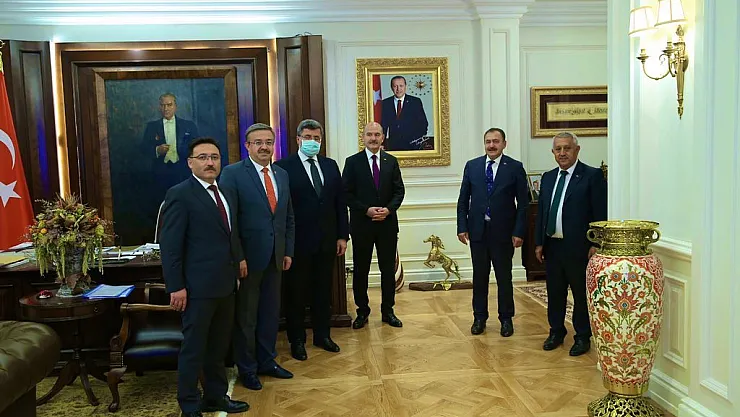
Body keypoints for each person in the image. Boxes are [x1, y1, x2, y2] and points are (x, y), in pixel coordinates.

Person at [159, 137, 249, 417]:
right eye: (203, 158)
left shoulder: (225, 192)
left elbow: (231, 233)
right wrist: (176, 286)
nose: (210, 163)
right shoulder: (180, 194)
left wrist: (237, 264)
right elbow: (170, 246)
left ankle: (215, 397)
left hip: (226, 285)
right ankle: (189, 404)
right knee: (194, 349)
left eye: (214, 157)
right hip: (196, 288)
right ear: (190, 163)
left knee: (218, 348)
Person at [219, 123, 295, 391]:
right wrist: (237, 257)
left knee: (270, 314)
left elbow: (287, 217)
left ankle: (267, 361)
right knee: (247, 318)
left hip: (276, 257)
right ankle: (247, 369)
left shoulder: (281, 174)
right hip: (248, 261)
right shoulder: (232, 174)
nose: (264, 147)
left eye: (268, 142)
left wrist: (287, 251)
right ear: (247, 146)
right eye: (258, 142)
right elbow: (229, 222)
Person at [275, 119, 349, 361]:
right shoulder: (283, 167)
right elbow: (282, 208)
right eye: (308, 137)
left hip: (327, 241)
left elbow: (340, 203)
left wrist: (342, 235)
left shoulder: (330, 165)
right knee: (296, 294)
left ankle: (322, 335)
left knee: (322, 291)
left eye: (316, 138)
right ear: (298, 139)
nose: (312, 142)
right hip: (297, 243)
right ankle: (297, 340)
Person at [534, 131, 607, 356]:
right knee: (555, 292)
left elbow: (600, 212)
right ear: (553, 152)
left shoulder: (592, 176)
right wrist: (539, 243)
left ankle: (582, 336)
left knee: (580, 294)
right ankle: (556, 331)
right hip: (553, 246)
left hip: (580, 248)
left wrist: (596, 244)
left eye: (567, 148)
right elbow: (542, 212)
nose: (562, 153)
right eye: (558, 149)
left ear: (577, 150)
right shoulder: (548, 177)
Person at [456, 128, 529, 337]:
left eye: (496, 141)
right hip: (477, 232)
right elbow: (463, 200)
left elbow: (523, 204)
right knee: (479, 277)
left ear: (504, 144)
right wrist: (462, 227)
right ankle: (479, 318)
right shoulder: (472, 166)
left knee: (504, 277)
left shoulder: (515, 167)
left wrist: (519, 231)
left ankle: (506, 319)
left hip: (504, 233)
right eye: (488, 141)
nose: (491, 145)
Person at [342, 122, 405, 329]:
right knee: (361, 270)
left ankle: (388, 311)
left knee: (387, 270)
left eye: (377, 134)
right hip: (362, 225)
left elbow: (399, 191)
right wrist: (366, 210)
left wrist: (388, 210)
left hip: (387, 225)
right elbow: (346, 193)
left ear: (382, 137)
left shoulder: (391, 161)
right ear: (363, 137)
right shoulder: (352, 162)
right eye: (369, 134)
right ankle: (362, 311)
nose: (373, 138)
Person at [380, 76, 429, 151]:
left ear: (405, 86)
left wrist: (416, 141)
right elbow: (383, 126)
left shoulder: (415, 102)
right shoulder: (385, 103)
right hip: (393, 146)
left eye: (401, 86)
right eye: (395, 86)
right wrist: (381, 143)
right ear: (391, 87)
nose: (398, 89)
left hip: (413, 146)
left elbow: (423, 124)